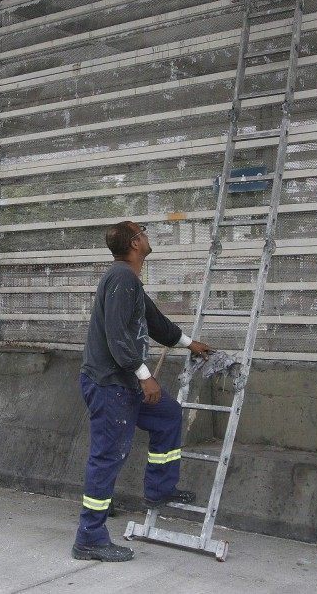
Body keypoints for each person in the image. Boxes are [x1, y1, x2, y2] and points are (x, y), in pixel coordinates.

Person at [72, 220, 211, 562]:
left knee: (168, 416)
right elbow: (117, 335)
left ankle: (160, 491)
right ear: (135, 244)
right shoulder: (120, 278)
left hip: (124, 385)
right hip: (110, 385)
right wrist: (145, 376)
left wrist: (189, 343)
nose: (148, 238)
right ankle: (89, 537)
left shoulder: (130, 282)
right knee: (107, 458)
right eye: (143, 234)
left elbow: (156, 323)